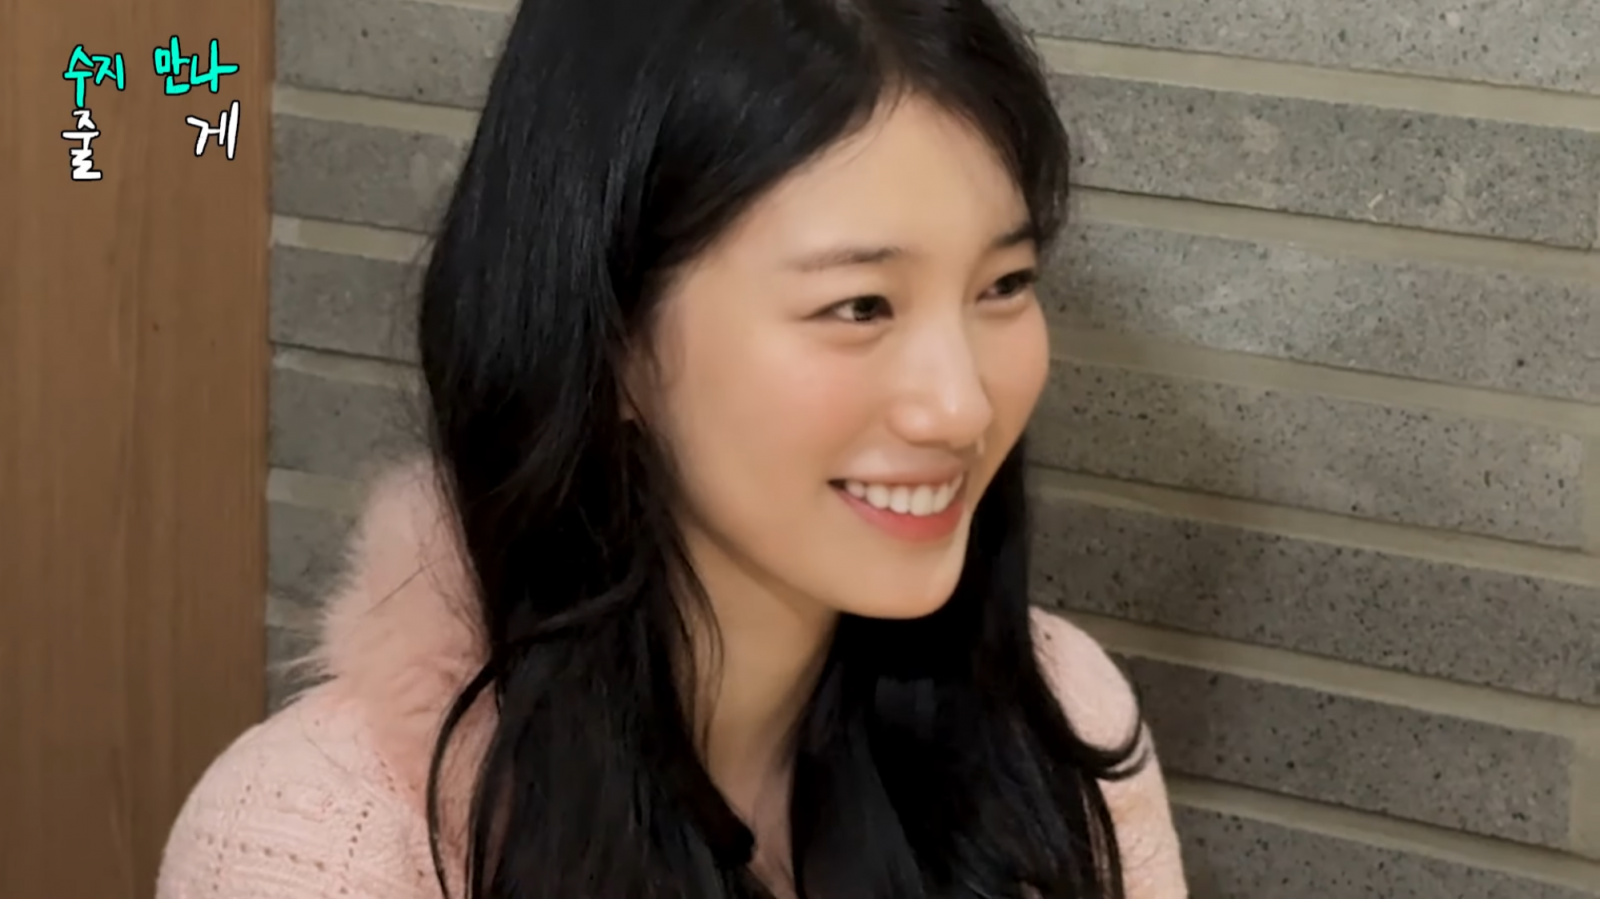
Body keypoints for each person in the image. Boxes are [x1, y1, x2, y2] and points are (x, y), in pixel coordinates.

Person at [156, 0, 1188, 895]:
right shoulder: (322, 840)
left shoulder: (1053, 726)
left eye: (1003, 285)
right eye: (860, 305)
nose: (959, 407)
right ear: (612, 341)